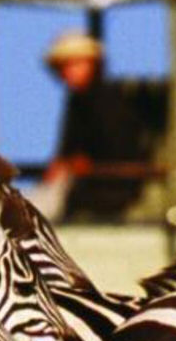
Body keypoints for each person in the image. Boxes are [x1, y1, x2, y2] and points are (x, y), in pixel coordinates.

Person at [27, 31, 166, 221]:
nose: (67, 71)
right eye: (63, 65)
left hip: (109, 188)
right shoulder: (76, 101)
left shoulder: (109, 101)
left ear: (92, 64)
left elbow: (121, 149)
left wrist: (82, 165)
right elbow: (67, 150)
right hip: (76, 185)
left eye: (74, 63)